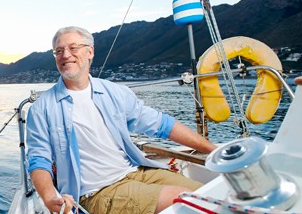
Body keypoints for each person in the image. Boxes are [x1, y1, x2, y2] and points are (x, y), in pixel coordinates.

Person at [26, 26, 217, 214]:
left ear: (90, 51)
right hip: (97, 191)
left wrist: (214, 150)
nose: (66, 55)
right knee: (186, 198)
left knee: (208, 194)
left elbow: (161, 124)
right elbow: (38, 159)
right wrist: (50, 197)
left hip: (136, 171)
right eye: (59, 51)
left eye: (73, 48)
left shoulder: (114, 92)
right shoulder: (41, 109)